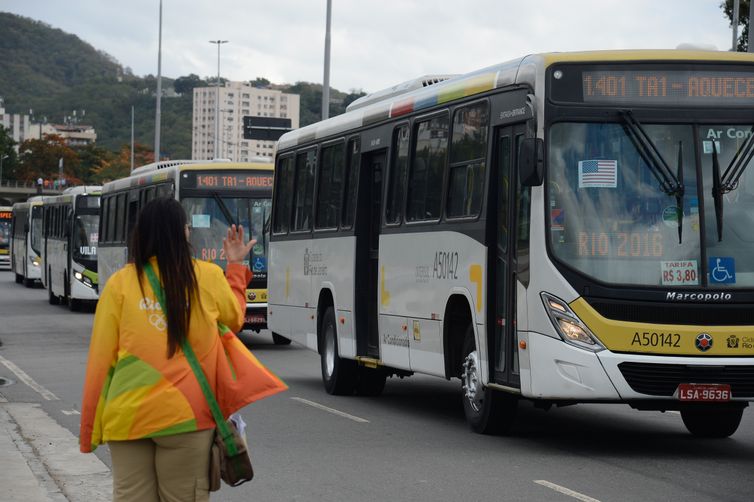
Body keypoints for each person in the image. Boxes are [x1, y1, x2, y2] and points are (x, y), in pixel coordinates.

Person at [79, 197, 286, 502]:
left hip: (127, 416)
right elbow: (235, 318)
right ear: (183, 233)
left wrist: (89, 432)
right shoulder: (207, 277)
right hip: (187, 417)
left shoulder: (120, 285)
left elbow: (101, 360)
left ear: (141, 235)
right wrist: (235, 267)